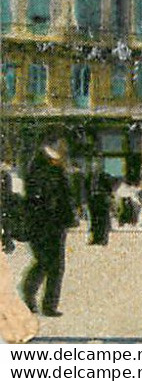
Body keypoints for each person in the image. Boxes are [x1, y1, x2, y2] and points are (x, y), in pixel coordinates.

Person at [17, 132, 75, 318]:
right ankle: (29, 293)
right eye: (61, 144)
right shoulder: (40, 167)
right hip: (41, 224)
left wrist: (67, 217)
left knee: (55, 266)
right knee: (44, 263)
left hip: (56, 225)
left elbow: (65, 197)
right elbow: (39, 198)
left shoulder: (56, 168)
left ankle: (48, 305)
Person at [86, 170, 114, 246]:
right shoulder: (106, 176)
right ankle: (101, 239)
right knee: (102, 220)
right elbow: (110, 189)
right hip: (102, 199)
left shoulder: (90, 175)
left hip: (94, 198)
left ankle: (94, 238)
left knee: (93, 219)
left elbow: (86, 187)